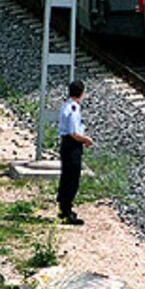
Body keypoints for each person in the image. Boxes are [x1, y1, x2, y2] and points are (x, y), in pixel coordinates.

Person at [57, 80, 93, 225]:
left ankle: (63, 208)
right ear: (81, 93)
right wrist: (86, 139)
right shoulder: (73, 108)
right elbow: (73, 132)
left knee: (67, 176)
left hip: (67, 144)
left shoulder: (66, 105)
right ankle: (67, 211)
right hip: (72, 145)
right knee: (72, 178)